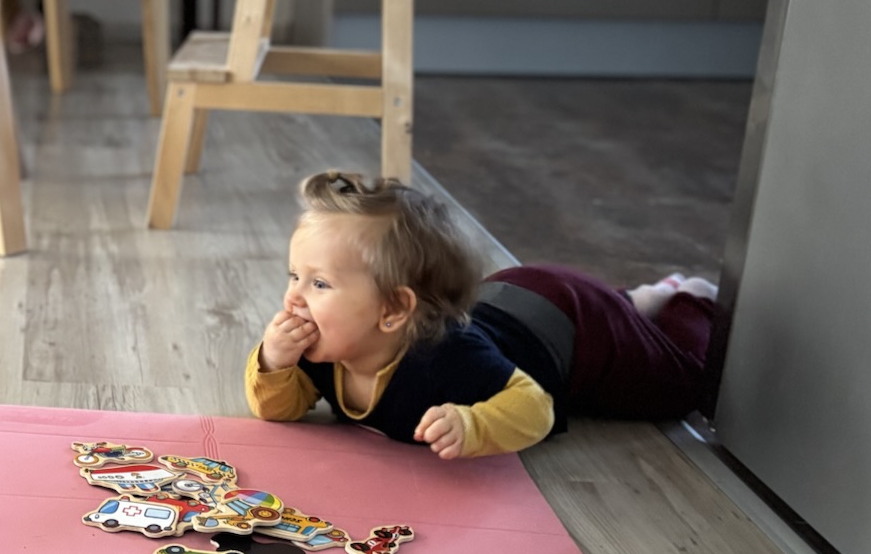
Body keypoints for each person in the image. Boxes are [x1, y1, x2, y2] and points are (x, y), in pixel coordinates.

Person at [247, 171, 716, 459]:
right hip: (508, 298)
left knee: (682, 388)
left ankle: (687, 298)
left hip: (573, 324)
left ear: (393, 310)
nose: (295, 298)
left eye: (320, 284)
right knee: (623, 313)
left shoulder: (448, 360)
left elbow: (535, 410)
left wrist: (472, 425)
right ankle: (635, 301)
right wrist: (273, 363)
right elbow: (279, 410)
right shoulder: (324, 347)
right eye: (294, 276)